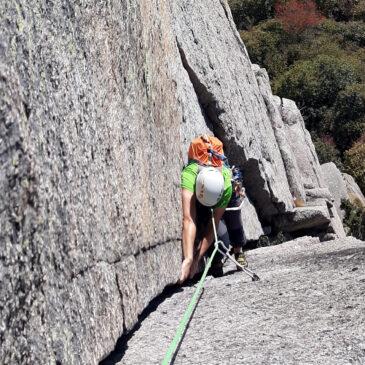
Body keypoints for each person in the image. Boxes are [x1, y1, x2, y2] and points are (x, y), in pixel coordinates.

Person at [179, 135, 233, 284]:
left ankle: (215, 263)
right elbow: (189, 218)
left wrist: (198, 257)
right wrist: (189, 258)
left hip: (212, 208)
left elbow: (213, 223)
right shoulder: (190, 174)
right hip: (197, 196)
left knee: (223, 242)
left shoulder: (226, 184)